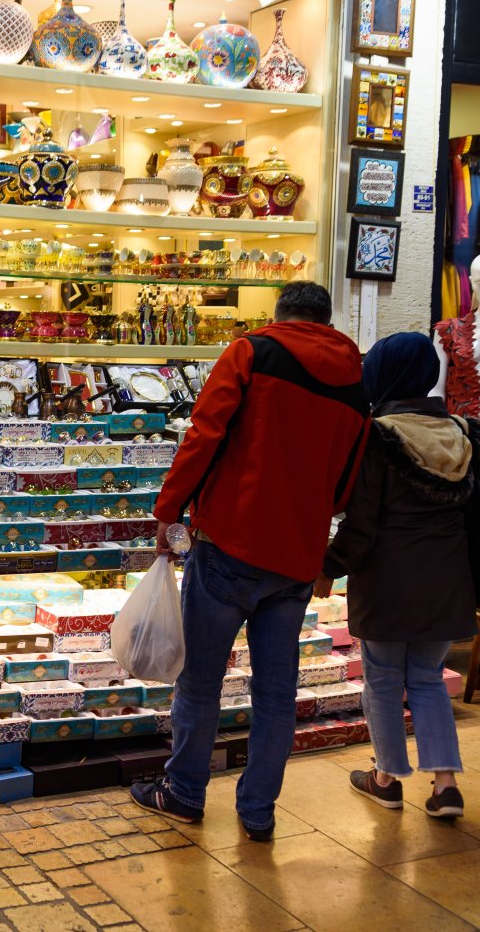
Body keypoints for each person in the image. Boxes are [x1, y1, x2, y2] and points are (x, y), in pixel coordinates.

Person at [134, 282, 370, 841]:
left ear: (279, 315)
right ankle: (258, 811)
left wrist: (169, 512)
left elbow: (203, 435)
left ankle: (185, 793)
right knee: (275, 692)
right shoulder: (356, 378)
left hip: (230, 543)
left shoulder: (251, 351)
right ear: (326, 321)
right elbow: (348, 478)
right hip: (296, 556)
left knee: (200, 681)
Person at [322, 333, 476, 820]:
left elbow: (362, 525)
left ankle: (386, 778)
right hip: (447, 580)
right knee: (428, 679)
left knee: (384, 681)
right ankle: (445, 786)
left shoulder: (377, 436)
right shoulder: (463, 433)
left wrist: (327, 567)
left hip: (388, 581)